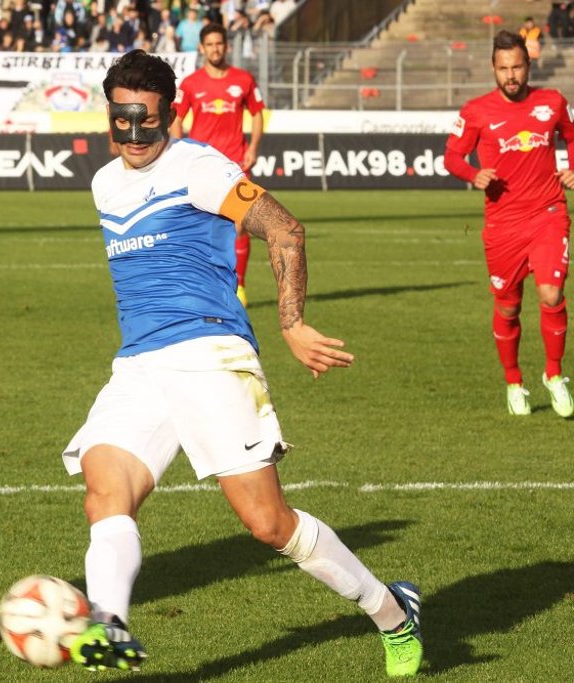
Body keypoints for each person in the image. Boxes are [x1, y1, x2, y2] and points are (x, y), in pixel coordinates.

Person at [63, 50, 423, 677]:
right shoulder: (103, 183)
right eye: (122, 120)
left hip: (210, 353)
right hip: (140, 366)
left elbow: (285, 230)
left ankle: (391, 611)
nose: (133, 134)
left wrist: (292, 324)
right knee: (104, 495)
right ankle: (107, 627)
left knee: (266, 523)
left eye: (146, 120)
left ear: (169, 115)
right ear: (108, 116)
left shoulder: (197, 167)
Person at [444, 30, 574, 417]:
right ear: (493, 69)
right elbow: (451, 157)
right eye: (503, 68)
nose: (511, 75)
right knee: (509, 307)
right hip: (503, 225)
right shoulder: (475, 111)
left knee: (551, 294)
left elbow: (571, 135)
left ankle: (554, 375)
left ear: (528, 65)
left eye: (517, 66)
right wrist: (473, 174)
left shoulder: (552, 102)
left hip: (549, 212)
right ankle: (514, 381)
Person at [170, 23, 265, 308]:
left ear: (227, 46)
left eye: (219, 44)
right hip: (201, 164)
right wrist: (180, 150)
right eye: (209, 44)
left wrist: (254, 148)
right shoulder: (190, 83)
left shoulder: (244, 79)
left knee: (238, 225)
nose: (215, 49)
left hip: (235, 163)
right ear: (201, 48)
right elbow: (176, 117)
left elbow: (258, 113)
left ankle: (240, 286)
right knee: (200, 227)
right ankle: (204, 285)